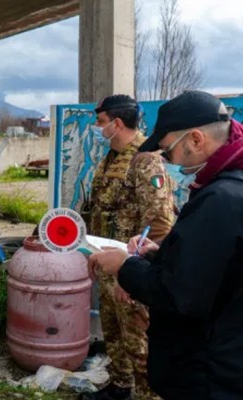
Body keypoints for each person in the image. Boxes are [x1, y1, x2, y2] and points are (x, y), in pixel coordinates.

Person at [90, 90, 243, 399]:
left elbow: (183, 292)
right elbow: (216, 264)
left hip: (212, 371)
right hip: (215, 356)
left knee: (138, 345)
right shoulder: (224, 187)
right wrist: (161, 255)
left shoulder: (222, 198)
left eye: (167, 149)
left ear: (196, 139)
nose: (167, 158)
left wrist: (129, 267)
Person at [81, 95, 174, 400]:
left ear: (117, 123)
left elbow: (159, 225)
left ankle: (149, 395)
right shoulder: (111, 156)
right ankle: (120, 388)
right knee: (114, 333)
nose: (97, 126)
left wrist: (137, 272)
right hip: (109, 265)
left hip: (131, 270)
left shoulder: (146, 160)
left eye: (101, 121)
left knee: (140, 343)